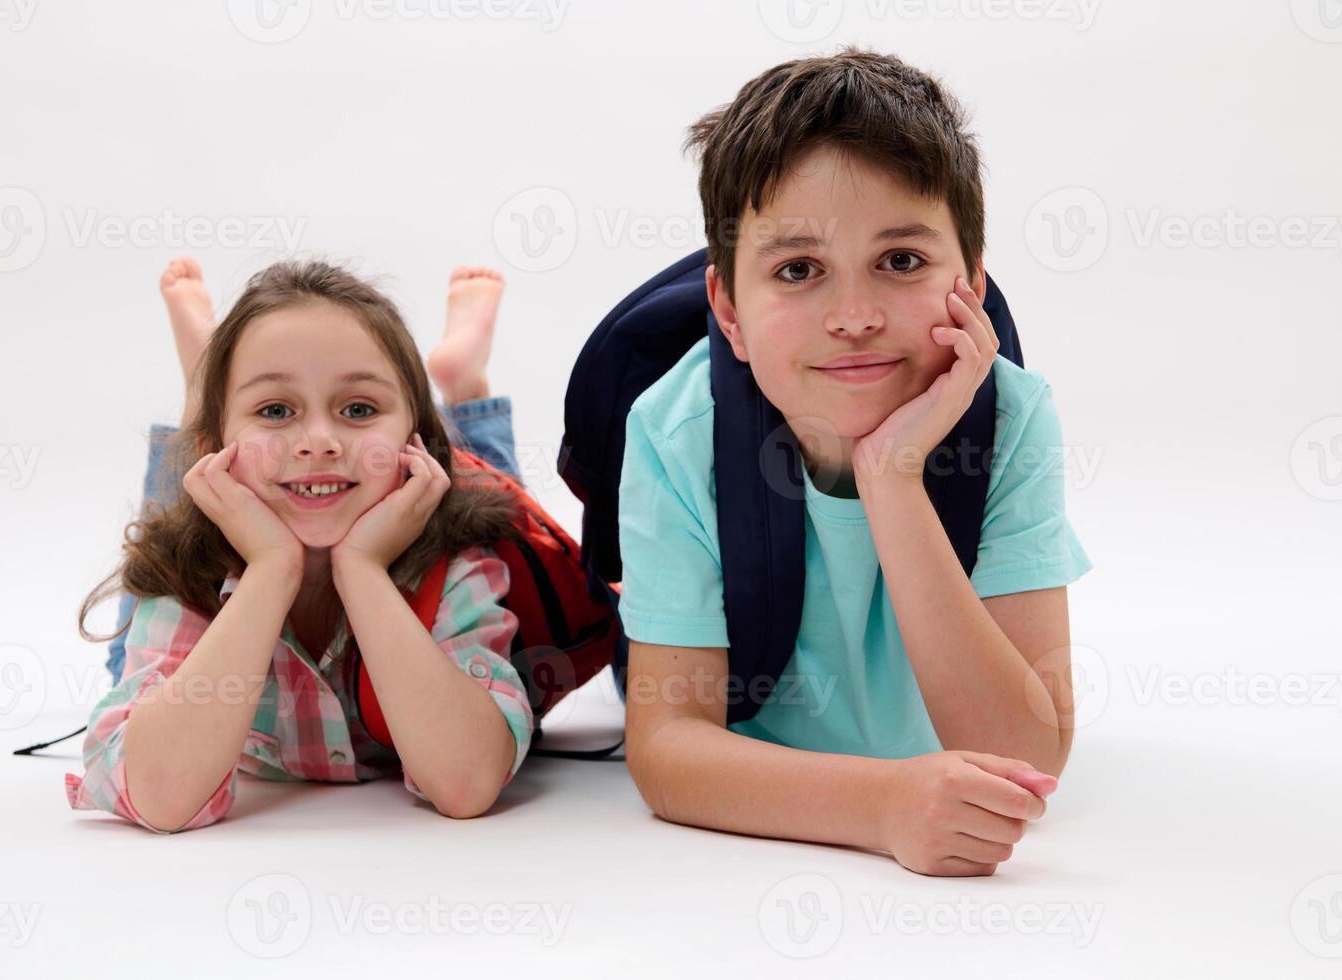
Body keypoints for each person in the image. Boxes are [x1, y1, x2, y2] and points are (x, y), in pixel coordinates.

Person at [618, 48, 1094, 876]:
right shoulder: (674, 430)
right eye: (797, 270)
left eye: (900, 261)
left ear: (971, 285)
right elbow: (665, 751)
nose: (853, 316)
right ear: (728, 313)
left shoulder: (1012, 417)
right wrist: (878, 806)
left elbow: (1027, 756)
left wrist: (892, 475)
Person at [68, 257, 533, 833]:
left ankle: (466, 389)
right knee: (178, 511)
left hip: (437, 508)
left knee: (493, 497)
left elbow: (467, 781)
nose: (319, 443)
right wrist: (269, 569)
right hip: (212, 513)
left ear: (414, 441)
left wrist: (362, 568)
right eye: (275, 409)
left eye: (359, 409)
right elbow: (160, 795)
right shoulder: (188, 571)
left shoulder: (458, 566)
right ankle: (203, 388)